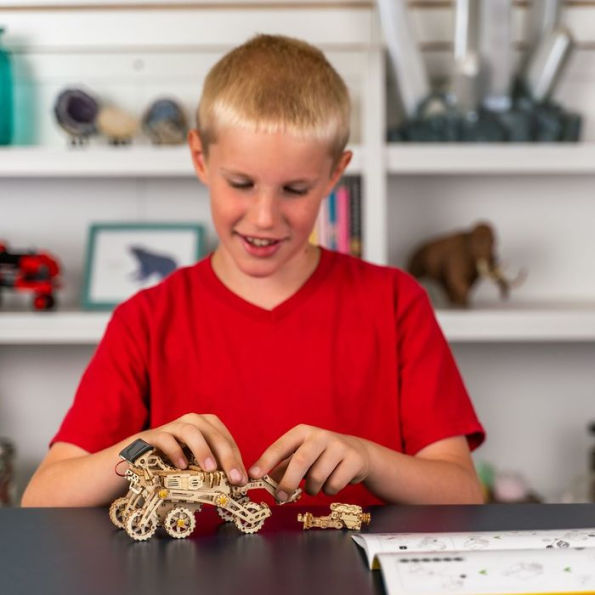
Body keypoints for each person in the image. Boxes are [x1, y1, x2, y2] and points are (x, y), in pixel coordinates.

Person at [22, 34, 485, 508]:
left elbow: (463, 493)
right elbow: (43, 497)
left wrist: (371, 459)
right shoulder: (146, 319)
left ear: (334, 174)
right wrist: (142, 448)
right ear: (200, 158)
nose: (264, 216)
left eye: (295, 189)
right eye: (241, 183)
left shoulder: (395, 302)